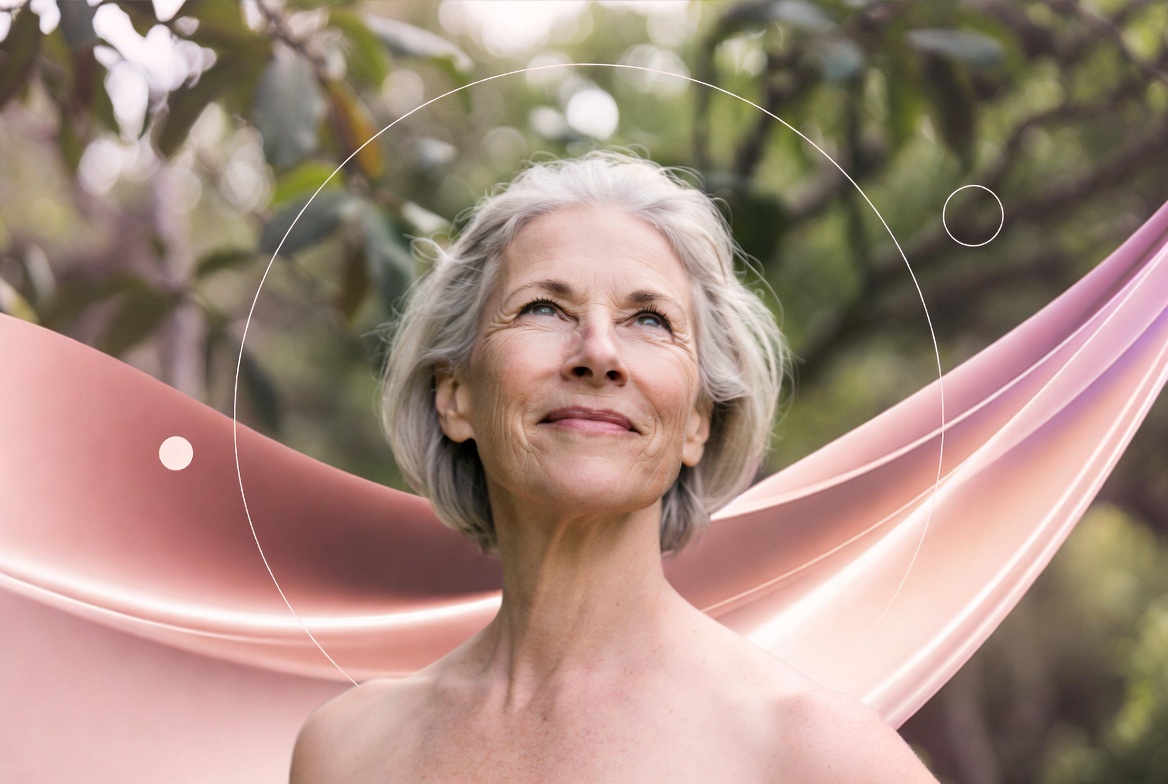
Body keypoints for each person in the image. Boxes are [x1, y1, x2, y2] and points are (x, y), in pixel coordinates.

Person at [290, 151, 940, 783]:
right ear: (454, 395)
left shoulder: (816, 754)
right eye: (544, 308)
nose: (599, 352)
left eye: (649, 319)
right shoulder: (346, 751)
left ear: (697, 423)